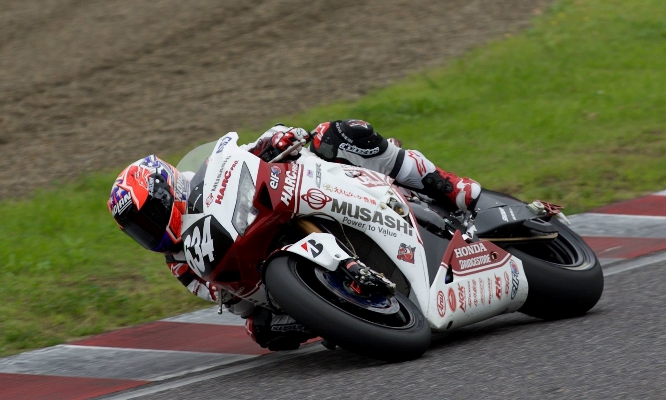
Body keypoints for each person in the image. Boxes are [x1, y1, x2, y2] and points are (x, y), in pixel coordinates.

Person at [108, 120, 481, 351]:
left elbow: (250, 152)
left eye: (150, 218)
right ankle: (344, 309)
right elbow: (227, 299)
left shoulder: (204, 175)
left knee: (337, 135)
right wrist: (245, 302)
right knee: (264, 332)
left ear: (167, 188)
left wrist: (275, 142)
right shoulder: (179, 262)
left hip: (303, 193)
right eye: (141, 231)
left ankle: (446, 185)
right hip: (267, 272)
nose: (152, 232)